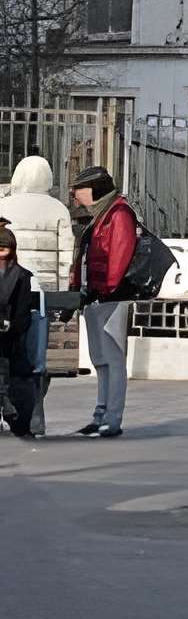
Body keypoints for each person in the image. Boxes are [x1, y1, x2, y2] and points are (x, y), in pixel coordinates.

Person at [4, 156, 73, 437]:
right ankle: (35, 417)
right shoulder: (58, 209)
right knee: (37, 359)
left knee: (6, 353)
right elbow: (65, 257)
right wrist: (61, 294)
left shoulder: (3, 206)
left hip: (8, 292)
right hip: (43, 297)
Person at [70, 165, 140, 438]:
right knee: (100, 359)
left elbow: (119, 256)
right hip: (95, 296)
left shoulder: (118, 213)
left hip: (111, 297)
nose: (76, 196)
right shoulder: (101, 215)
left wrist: (107, 289)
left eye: (79, 190)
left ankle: (112, 418)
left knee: (112, 358)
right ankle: (100, 414)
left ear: (94, 189)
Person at [0, 224, 42, 440]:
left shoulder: (21, 276)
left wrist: (12, 329)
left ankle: (21, 421)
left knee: (20, 373)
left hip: (13, 338)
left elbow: (22, 314)